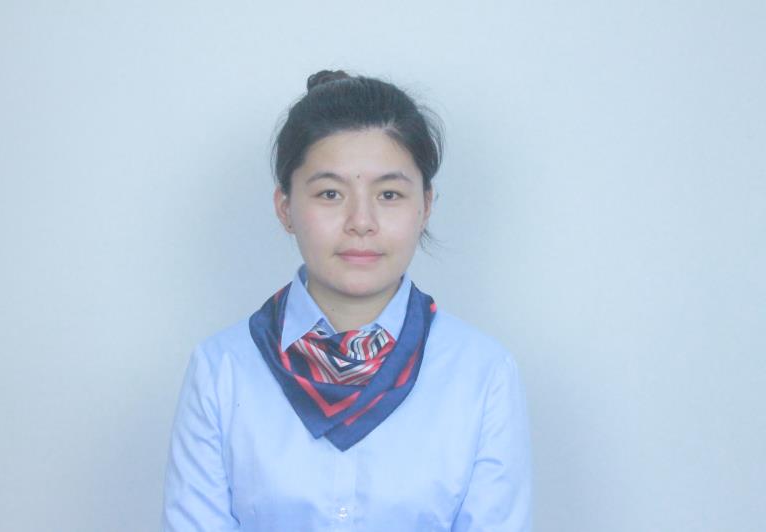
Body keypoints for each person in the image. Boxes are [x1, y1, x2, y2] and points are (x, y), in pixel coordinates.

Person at [161, 70, 532, 531]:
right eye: (330, 193)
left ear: (425, 206)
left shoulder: (483, 374)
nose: (361, 221)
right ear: (285, 207)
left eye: (389, 194)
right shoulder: (221, 371)